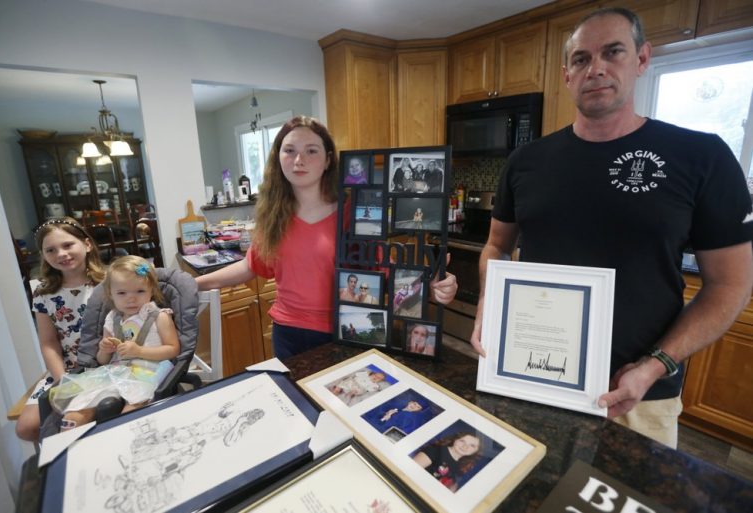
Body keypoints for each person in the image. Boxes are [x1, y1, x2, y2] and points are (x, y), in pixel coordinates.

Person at [469, 7, 753, 448]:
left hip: (638, 395)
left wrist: (656, 364)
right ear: (566, 75)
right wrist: (491, 302)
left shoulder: (702, 157)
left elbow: (730, 285)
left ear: (642, 59)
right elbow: (495, 247)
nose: (595, 68)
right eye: (581, 59)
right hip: (531, 376)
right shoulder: (526, 162)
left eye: (612, 52)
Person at [195, 116, 457, 360]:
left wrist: (429, 285)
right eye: (289, 150)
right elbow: (251, 266)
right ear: (278, 158)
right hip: (287, 333)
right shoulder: (272, 216)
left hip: (345, 329)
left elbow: (384, 273)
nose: (299, 160)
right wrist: (195, 283)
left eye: (311, 150)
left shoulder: (354, 214)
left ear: (328, 159)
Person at [49, 256, 181, 430]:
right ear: (111, 294)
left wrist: (139, 351)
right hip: (115, 372)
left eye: (140, 291)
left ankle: (126, 432)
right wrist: (105, 349)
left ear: (151, 290)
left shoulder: (159, 316)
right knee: (82, 403)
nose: (131, 299)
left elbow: (173, 350)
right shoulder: (112, 319)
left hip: (149, 371)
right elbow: (103, 360)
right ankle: (72, 434)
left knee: (132, 410)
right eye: (122, 293)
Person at [15, 217, 106, 442]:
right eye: (51, 250)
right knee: (26, 428)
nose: (61, 254)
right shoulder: (43, 294)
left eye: (67, 245)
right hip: (65, 370)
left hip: (107, 366)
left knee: (81, 420)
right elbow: (48, 342)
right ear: (44, 256)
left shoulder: (110, 283)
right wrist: (62, 379)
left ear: (86, 244)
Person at [412, 431, 482, 492]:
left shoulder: (462, 466)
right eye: (462, 441)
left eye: (472, 445)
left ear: (476, 451)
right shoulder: (435, 451)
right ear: (455, 440)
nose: (465, 446)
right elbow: (409, 472)